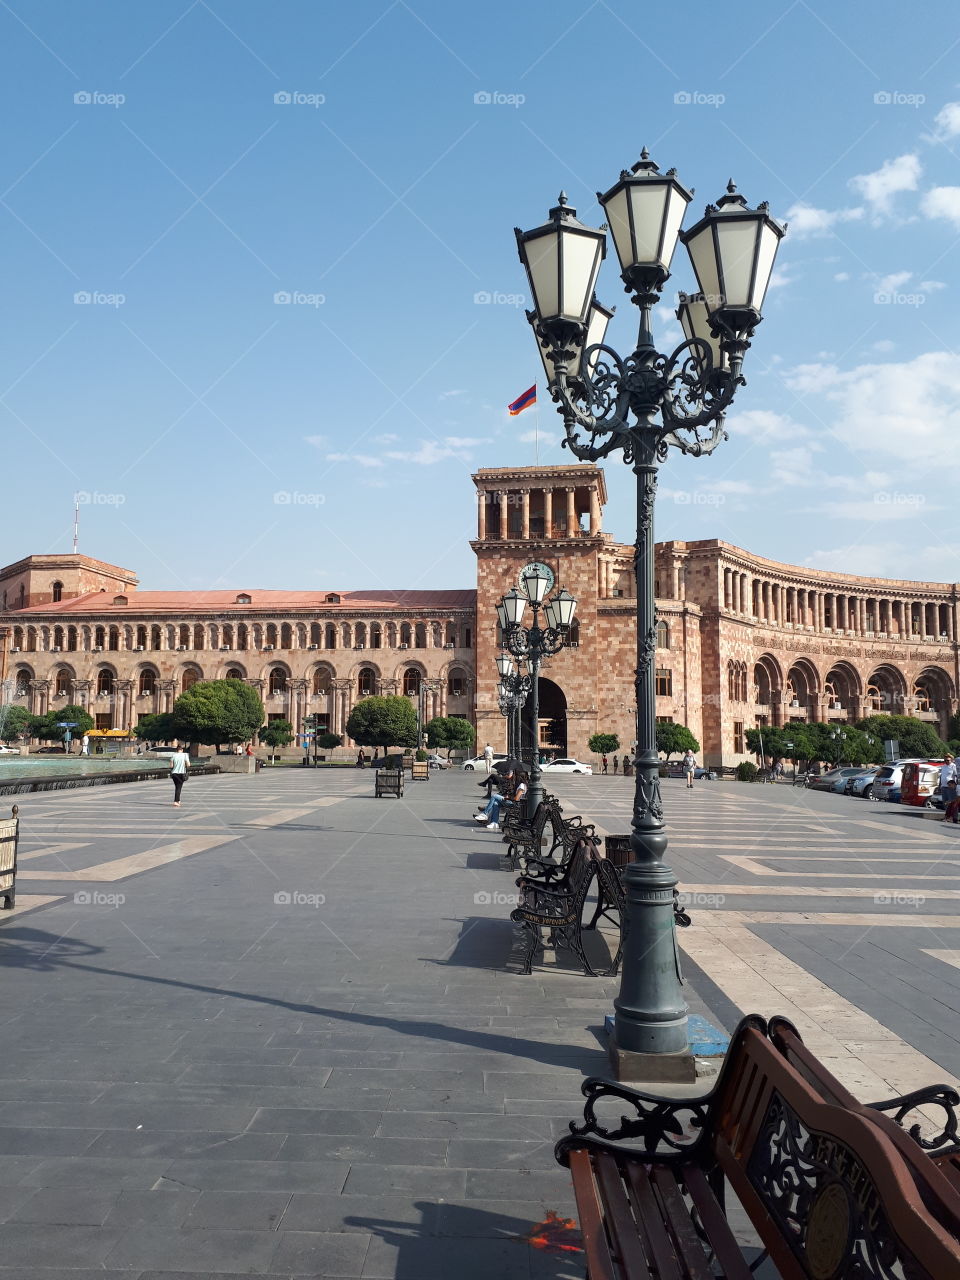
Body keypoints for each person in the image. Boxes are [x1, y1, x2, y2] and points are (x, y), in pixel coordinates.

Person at [940, 754, 957, 820]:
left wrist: (954, 785)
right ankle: (947, 816)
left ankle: (953, 817)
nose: (946, 761)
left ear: (951, 760)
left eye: (948, 760)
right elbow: (942, 776)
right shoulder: (943, 766)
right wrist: (940, 785)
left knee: (951, 803)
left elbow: (956, 775)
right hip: (943, 786)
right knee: (945, 802)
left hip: (950, 787)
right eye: (945, 760)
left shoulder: (953, 766)